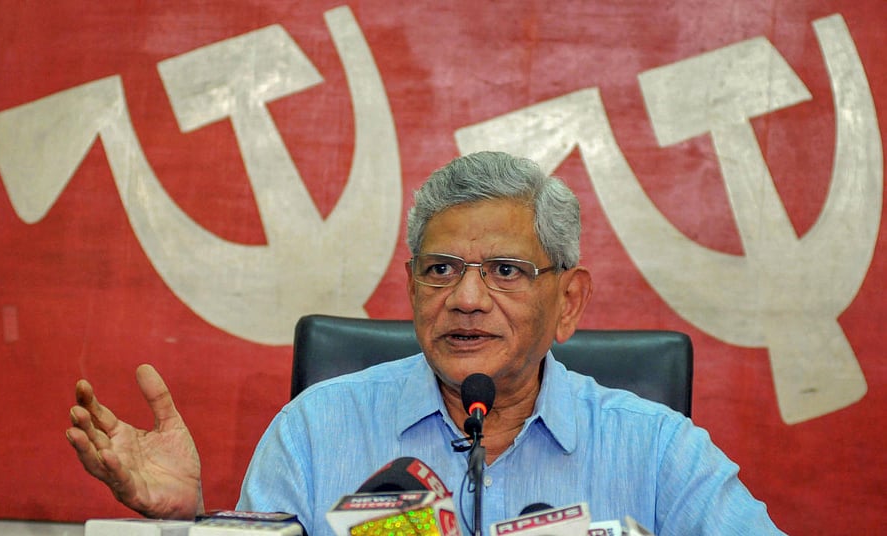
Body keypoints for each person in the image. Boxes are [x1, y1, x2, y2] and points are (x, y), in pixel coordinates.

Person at [67, 151, 785, 535]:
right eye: (441, 270)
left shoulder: (659, 452)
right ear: (412, 289)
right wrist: (193, 524)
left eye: (505, 271)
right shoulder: (317, 431)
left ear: (567, 303)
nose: (466, 299)